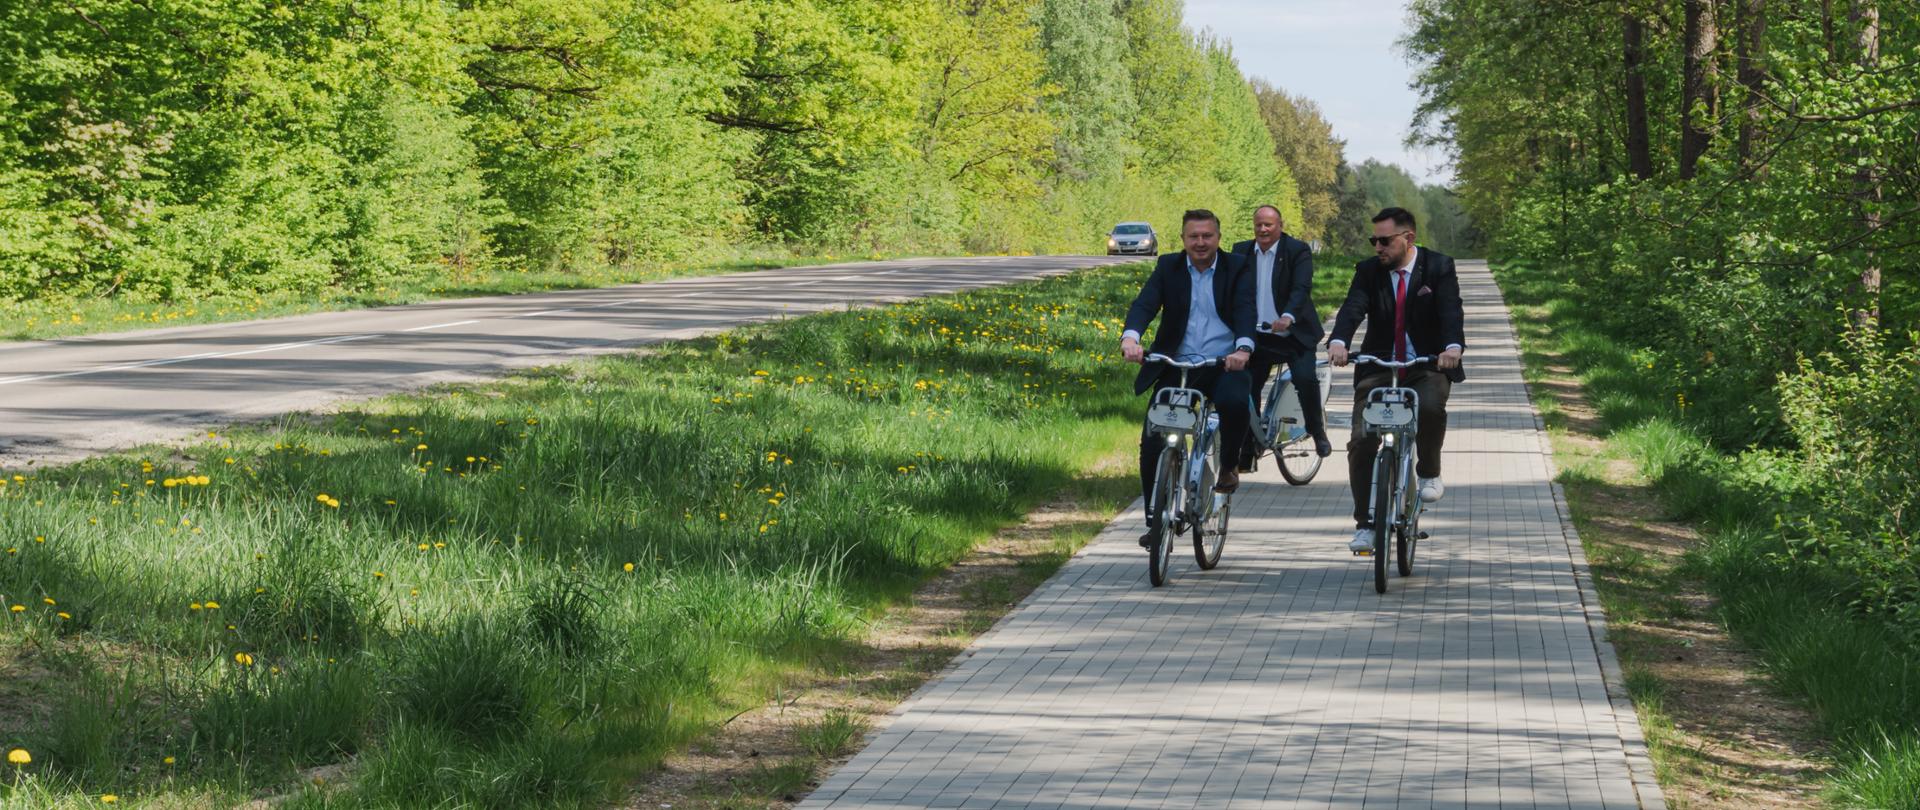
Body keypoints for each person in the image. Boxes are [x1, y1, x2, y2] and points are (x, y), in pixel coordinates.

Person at [1328, 207, 1466, 554]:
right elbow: (1353, 307)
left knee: (1432, 406)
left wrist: (1452, 346)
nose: (1378, 247)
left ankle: (1429, 470)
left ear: (1408, 239)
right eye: (1374, 240)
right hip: (1380, 363)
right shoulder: (1368, 271)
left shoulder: (1438, 267)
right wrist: (1339, 341)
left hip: (1427, 362)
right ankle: (1365, 525)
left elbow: (1451, 309)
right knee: (1361, 441)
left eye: (1385, 240)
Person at [1120, 209, 1257, 547]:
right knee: (1153, 437)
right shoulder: (1168, 266)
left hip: (1223, 363)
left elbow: (1244, 309)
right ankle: (1155, 520)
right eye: (1193, 236)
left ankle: (1228, 467)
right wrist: (1131, 337)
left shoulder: (1237, 266)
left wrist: (1242, 348)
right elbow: (1145, 304)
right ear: (1183, 239)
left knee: (1235, 402)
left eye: (1207, 235)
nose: (1200, 242)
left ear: (1218, 238)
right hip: (1176, 365)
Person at [1230, 204, 1332, 469]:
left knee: (1305, 379)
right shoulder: (1241, 251)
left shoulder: (1296, 251)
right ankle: (1248, 443)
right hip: (1257, 336)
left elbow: (1301, 288)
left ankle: (1316, 430)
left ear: (1280, 225)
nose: (1263, 229)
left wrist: (1287, 316)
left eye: (1269, 224)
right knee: (1245, 386)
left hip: (1293, 334)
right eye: (1258, 225)